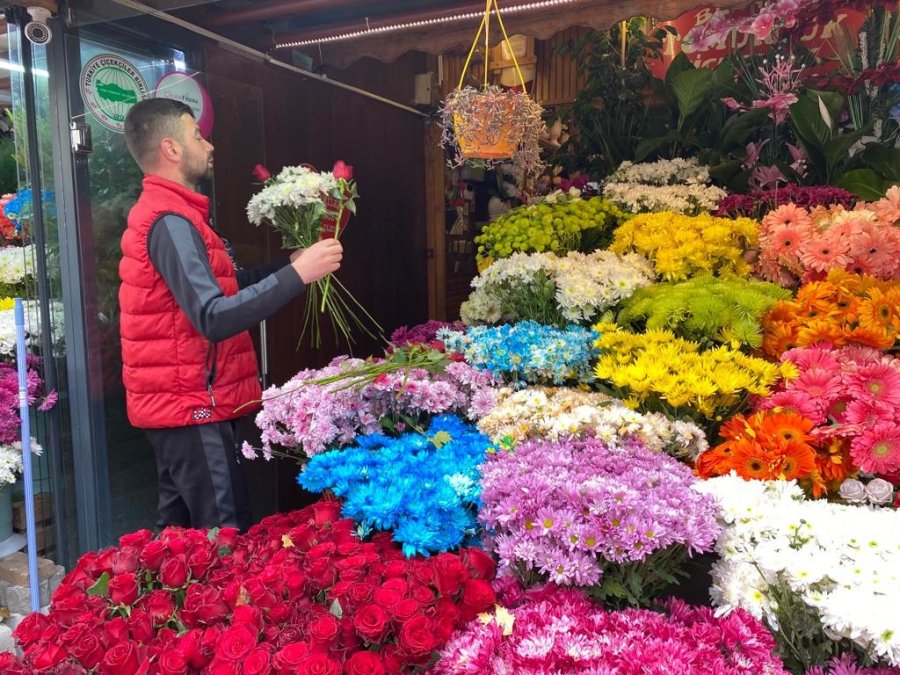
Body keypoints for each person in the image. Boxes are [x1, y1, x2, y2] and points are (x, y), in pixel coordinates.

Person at [119, 98, 342, 531]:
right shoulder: (169, 221)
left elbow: (226, 287)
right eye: (197, 135)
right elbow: (214, 316)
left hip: (182, 405)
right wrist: (297, 275)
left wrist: (289, 264)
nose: (209, 144)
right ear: (172, 149)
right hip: (192, 406)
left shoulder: (175, 214)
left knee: (180, 540)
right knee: (224, 534)